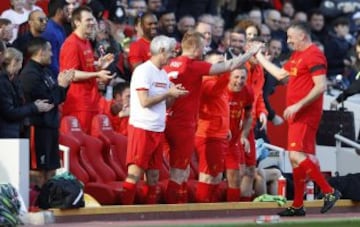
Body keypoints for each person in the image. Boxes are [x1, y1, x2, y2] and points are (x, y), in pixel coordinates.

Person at [163, 30, 262, 204]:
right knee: (203, 176)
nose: (220, 65)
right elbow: (229, 68)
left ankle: (185, 210)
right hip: (203, 132)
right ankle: (192, 213)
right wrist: (250, 53)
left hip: (181, 123)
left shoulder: (172, 65)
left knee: (186, 173)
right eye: (217, 63)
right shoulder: (206, 78)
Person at [255, 21, 341, 216]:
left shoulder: (314, 54)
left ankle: (329, 191)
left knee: (295, 155)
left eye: (290, 37)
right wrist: (258, 56)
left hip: (305, 114)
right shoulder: (297, 56)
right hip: (298, 114)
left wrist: (298, 104)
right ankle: (298, 205)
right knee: (297, 161)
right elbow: (280, 74)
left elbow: (320, 86)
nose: (288, 41)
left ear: (302, 36)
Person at [120, 35, 188, 205]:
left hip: (157, 129)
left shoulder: (163, 74)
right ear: (162, 51)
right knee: (134, 173)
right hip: (142, 128)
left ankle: (149, 215)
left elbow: (165, 104)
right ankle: (124, 214)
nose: (173, 55)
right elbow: (144, 101)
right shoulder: (143, 71)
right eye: (171, 52)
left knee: (154, 176)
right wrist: (167, 93)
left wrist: (174, 94)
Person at [19, 37, 73, 187]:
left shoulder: (46, 71)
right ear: (41, 52)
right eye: (49, 50)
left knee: (51, 169)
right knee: (38, 171)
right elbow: (47, 101)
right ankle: (35, 204)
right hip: (38, 128)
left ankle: (49, 202)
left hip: (51, 126)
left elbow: (57, 98)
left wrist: (64, 86)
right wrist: (60, 88)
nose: (52, 54)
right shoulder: (29, 75)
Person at [59, 6, 114, 134]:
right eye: (88, 20)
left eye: (93, 19)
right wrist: (97, 73)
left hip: (91, 101)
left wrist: (98, 65)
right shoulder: (71, 43)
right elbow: (71, 74)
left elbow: (84, 67)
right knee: (81, 143)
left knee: (93, 144)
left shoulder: (86, 42)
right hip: (79, 104)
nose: (92, 22)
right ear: (77, 22)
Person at [194, 51, 230, 203]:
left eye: (223, 61)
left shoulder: (218, 80)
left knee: (216, 175)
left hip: (219, 134)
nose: (221, 66)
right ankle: (202, 210)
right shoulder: (207, 81)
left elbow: (220, 108)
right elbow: (216, 90)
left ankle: (211, 209)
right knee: (208, 175)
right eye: (218, 63)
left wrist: (226, 128)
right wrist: (228, 70)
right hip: (209, 134)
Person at [0, 47, 53, 138]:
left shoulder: (14, 81)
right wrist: (34, 107)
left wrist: (34, 105)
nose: (21, 67)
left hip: (15, 130)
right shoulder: (3, 83)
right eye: (21, 63)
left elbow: (18, 107)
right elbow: (9, 112)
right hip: (6, 133)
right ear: (14, 62)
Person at [225, 67, 254, 202]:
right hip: (216, 137)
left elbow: (249, 116)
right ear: (229, 77)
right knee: (213, 176)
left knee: (237, 175)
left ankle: (233, 213)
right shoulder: (221, 89)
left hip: (233, 140)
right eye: (236, 77)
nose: (239, 81)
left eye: (242, 78)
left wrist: (243, 135)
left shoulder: (248, 91)